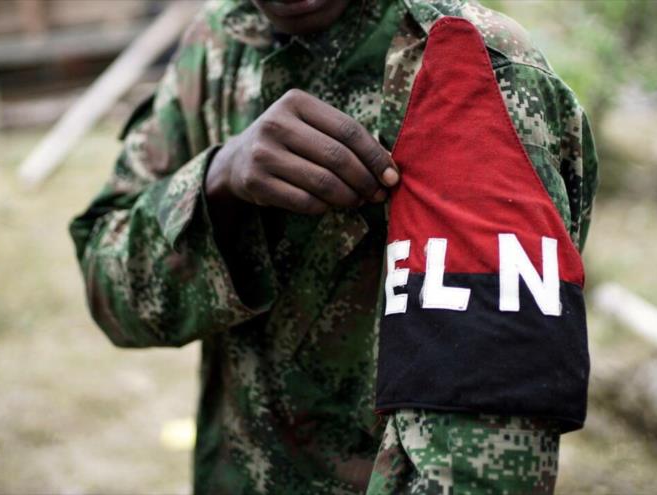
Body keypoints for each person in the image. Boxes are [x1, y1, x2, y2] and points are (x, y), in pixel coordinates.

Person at [69, 0, 599, 493]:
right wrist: (217, 181)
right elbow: (110, 292)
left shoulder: (469, 65)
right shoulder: (219, 40)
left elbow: (484, 461)